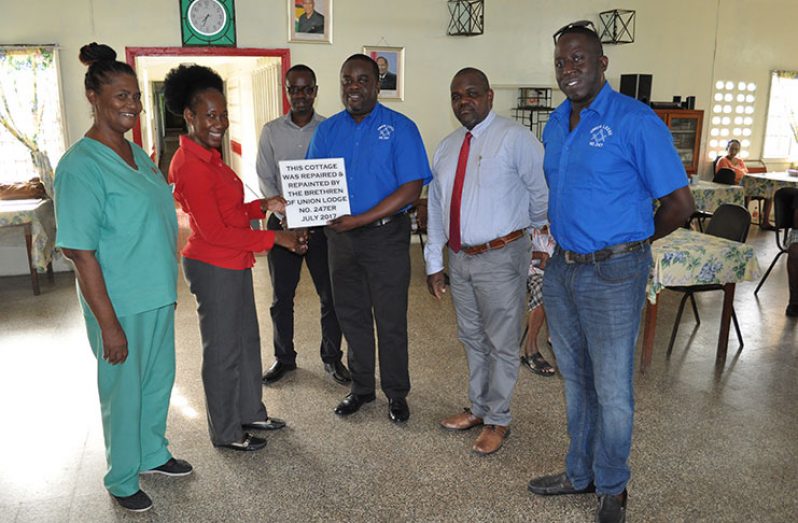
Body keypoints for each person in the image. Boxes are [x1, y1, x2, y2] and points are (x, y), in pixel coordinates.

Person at [526, 23, 694, 523]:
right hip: (563, 269)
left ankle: (613, 487)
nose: (568, 69)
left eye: (578, 59)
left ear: (602, 63)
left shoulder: (636, 121)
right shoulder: (556, 123)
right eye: (560, 61)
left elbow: (680, 204)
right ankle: (580, 474)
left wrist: (632, 245)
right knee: (576, 382)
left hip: (614, 273)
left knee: (613, 389)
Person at [55, 42, 192, 513]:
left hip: (156, 293)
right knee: (123, 391)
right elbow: (81, 251)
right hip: (118, 301)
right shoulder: (80, 166)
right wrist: (108, 324)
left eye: (134, 96)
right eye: (120, 96)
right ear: (94, 97)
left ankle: (152, 453)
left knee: (157, 381)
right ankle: (120, 476)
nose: (131, 104)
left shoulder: (137, 153)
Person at [164, 64, 306, 453]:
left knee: (245, 342)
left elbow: (231, 213)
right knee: (223, 351)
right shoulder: (190, 164)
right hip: (214, 265)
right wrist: (276, 236)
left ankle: (250, 411)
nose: (220, 122)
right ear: (189, 116)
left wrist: (264, 204)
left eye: (223, 114)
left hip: (234, 260)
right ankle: (226, 431)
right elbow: (216, 232)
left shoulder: (210, 157)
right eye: (210, 115)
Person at [426, 67, 548, 455]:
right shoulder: (446, 146)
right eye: (456, 95)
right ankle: (478, 409)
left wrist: (530, 236)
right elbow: (436, 207)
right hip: (460, 259)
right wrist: (434, 262)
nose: (464, 101)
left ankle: (499, 419)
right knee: (472, 338)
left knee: (501, 343)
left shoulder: (516, 138)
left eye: (472, 93)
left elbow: (542, 194)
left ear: (490, 96)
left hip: (501, 256)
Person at [307, 54, 432, 423]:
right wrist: (305, 219)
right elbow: (314, 181)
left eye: (362, 80)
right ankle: (361, 388)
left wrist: (360, 218)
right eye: (347, 80)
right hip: (340, 241)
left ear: (378, 84)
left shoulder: (400, 127)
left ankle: (396, 392)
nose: (354, 87)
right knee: (352, 316)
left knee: (390, 318)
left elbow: (411, 189)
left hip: (385, 238)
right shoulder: (328, 131)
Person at [256, 64, 350, 386]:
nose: (300, 95)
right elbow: (265, 177)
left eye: (306, 88)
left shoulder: (330, 129)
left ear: (315, 91)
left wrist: (322, 213)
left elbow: (336, 177)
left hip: (323, 228)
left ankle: (332, 357)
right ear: (286, 91)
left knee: (331, 296)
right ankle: (284, 358)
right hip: (282, 226)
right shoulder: (270, 131)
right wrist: (284, 214)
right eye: (293, 89)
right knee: (281, 298)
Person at [521, 226, 556, 377]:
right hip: (532, 269)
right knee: (542, 291)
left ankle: (555, 338)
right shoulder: (526, 224)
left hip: (558, 268)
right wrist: (541, 256)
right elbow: (516, 253)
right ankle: (530, 349)